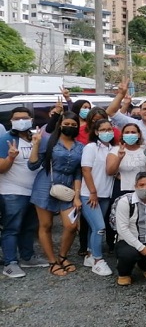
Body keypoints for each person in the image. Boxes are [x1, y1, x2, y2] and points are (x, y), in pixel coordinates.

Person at [28, 112, 84, 276]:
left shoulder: (80, 147)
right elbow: (32, 165)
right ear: (60, 124)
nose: (70, 127)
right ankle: (52, 262)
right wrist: (36, 145)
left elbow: (78, 173)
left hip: (68, 188)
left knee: (71, 225)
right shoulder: (48, 141)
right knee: (46, 225)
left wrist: (77, 195)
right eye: (67, 124)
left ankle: (63, 256)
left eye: (74, 125)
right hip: (45, 185)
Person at [0, 108, 49, 278]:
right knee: (12, 227)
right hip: (12, 192)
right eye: (17, 118)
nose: (21, 121)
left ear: (31, 120)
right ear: (11, 121)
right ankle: (10, 262)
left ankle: (27, 257)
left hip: (33, 192)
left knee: (29, 227)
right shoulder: (5, 139)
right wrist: (11, 158)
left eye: (25, 118)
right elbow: (1, 168)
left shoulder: (34, 138)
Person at [79, 119, 117, 276]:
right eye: (103, 129)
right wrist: (93, 192)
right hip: (90, 195)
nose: (107, 132)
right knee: (99, 227)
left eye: (109, 129)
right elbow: (86, 171)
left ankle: (89, 254)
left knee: (94, 228)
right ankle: (97, 260)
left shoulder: (114, 149)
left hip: (105, 195)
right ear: (96, 132)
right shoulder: (91, 147)